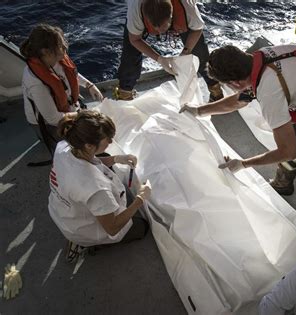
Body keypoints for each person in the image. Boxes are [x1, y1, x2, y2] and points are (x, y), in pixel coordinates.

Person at [180, 44, 296, 223]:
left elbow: (286, 151)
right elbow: (238, 100)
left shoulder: (270, 91)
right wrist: (199, 111)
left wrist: (243, 164)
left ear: (236, 82)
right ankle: (283, 183)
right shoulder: (258, 60)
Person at [48, 110, 152, 262]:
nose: (111, 142)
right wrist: (140, 199)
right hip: (83, 228)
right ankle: (86, 244)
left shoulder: (64, 147)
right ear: (89, 146)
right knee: (142, 227)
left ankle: (77, 239)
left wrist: (116, 159)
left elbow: (91, 162)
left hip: (63, 212)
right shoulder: (96, 189)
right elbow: (112, 228)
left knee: (102, 158)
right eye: (108, 139)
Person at [21, 24, 103, 155]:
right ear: (45, 52)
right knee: (81, 146)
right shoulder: (34, 81)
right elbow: (53, 118)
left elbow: (72, 73)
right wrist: (83, 115)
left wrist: (89, 85)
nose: (65, 47)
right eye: (60, 45)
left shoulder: (57, 58)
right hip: (49, 124)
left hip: (69, 110)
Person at [116, 0, 223, 101]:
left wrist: (186, 51)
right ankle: (125, 93)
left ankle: (215, 88)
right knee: (130, 53)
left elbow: (197, 28)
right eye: (155, 28)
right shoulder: (136, 9)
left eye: (163, 28)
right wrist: (160, 59)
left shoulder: (186, 5)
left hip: (178, 9)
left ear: (172, 16)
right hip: (141, 12)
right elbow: (134, 39)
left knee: (199, 51)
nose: (159, 32)